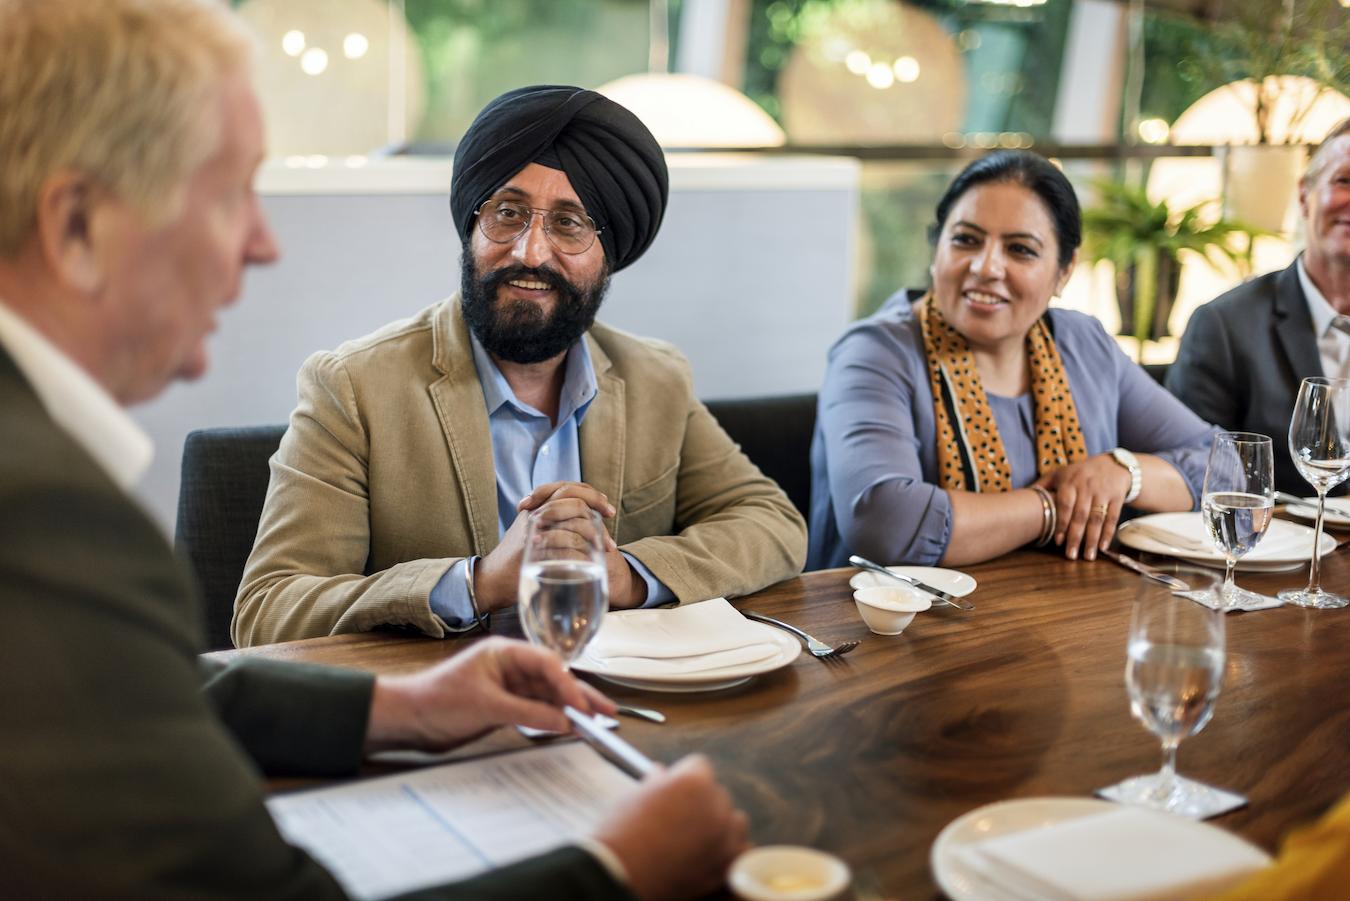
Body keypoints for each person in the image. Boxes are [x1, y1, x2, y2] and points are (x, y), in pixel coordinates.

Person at [0, 1, 746, 897]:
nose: (263, 243)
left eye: (571, 223)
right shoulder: (42, 517)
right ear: (77, 226)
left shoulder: (46, 486)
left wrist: (406, 704)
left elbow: (154, 698)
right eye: (231, 192)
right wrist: (612, 866)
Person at [232, 85, 807, 646]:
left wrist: (625, 574)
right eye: (508, 212)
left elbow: (772, 523)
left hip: (629, 705)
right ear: (472, 225)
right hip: (445, 719)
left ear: (611, 253)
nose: (530, 251)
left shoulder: (655, 377)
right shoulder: (352, 387)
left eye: (569, 223)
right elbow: (269, 608)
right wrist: (478, 581)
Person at [808, 150, 1217, 570]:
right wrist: (1055, 507)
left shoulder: (1084, 344)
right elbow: (885, 524)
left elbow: (1226, 471)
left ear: (1064, 272)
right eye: (966, 240)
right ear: (936, 250)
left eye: (1020, 249)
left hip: (1063, 616)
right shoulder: (874, 352)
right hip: (886, 626)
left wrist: (1125, 473)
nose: (986, 267)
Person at [1169, 118, 1350, 496]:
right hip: (1276, 549)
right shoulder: (1223, 327)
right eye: (1344, 181)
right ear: (1304, 196)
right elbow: (1188, 475)